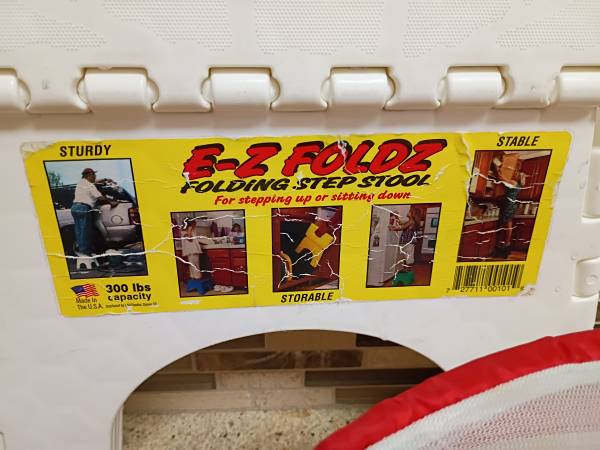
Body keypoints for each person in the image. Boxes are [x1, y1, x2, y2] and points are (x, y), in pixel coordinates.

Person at [71, 168, 118, 256]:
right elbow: (99, 197)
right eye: (94, 175)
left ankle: (81, 250)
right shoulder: (90, 185)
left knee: (79, 231)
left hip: (75, 208)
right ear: (89, 175)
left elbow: (95, 182)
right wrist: (111, 202)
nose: (95, 177)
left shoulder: (81, 183)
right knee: (85, 231)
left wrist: (105, 179)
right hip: (83, 208)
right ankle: (85, 253)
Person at [490, 156, 526, 259]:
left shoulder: (513, 183)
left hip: (509, 204)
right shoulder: (519, 185)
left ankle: (505, 245)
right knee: (508, 224)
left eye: (516, 174)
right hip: (512, 205)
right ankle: (506, 245)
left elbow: (501, 178)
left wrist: (496, 168)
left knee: (506, 225)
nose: (514, 174)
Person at [389, 208, 419, 273]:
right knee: (406, 255)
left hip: (409, 241)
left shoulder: (411, 221)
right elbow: (401, 223)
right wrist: (396, 216)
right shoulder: (409, 220)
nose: (408, 212)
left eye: (409, 212)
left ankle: (408, 270)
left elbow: (403, 227)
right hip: (407, 241)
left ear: (413, 214)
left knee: (409, 256)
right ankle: (406, 269)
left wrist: (393, 228)